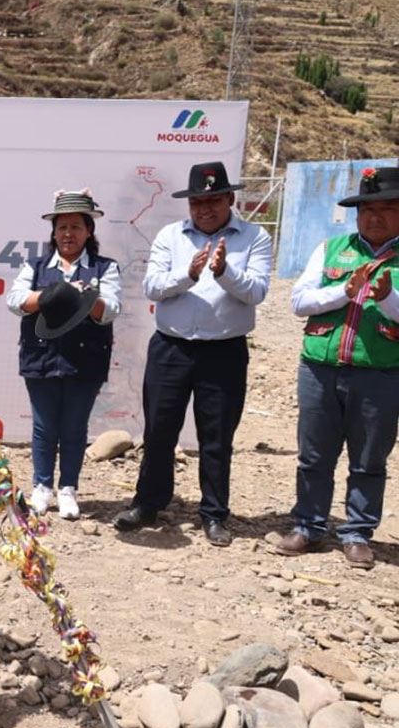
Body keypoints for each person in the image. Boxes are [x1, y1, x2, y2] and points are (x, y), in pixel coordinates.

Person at [113, 161, 272, 546]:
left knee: (216, 436)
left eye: (214, 200)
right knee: (159, 429)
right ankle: (149, 503)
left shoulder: (255, 237)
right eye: (198, 202)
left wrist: (223, 272)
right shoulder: (171, 235)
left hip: (224, 352)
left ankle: (214, 513)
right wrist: (190, 273)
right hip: (171, 348)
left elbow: (257, 292)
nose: (205, 209)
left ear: (230, 199)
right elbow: (153, 286)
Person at [276, 166, 399, 569]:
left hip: (380, 374)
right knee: (314, 455)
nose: (375, 216)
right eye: (366, 208)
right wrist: (343, 292)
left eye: (387, 208)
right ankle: (309, 526)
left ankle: (358, 533)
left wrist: (385, 298)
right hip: (319, 369)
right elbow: (298, 302)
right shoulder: (332, 249)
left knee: (368, 460)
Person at [5, 190, 122, 520]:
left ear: (89, 231)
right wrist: (50, 296)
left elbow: (111, 310)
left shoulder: (104, 268)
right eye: (61, 227)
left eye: (75, 227)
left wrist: (86, 297)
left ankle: (68, 488)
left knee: (74, 426)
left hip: (85, 359)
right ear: (53, 233)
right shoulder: (36, 266)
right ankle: (42, 487)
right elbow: (15, 301)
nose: (67, 234)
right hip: (40, 356)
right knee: (44, 427)